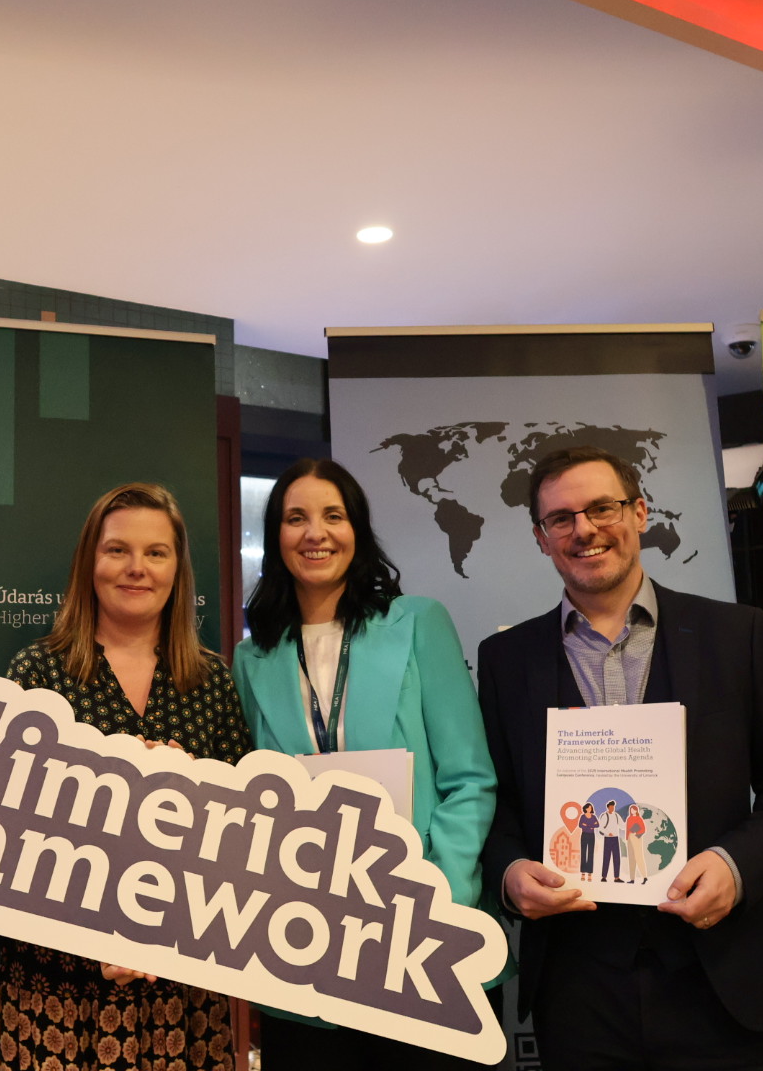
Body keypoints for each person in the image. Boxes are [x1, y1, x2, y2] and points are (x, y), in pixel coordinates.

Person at [477, 445, 763, 1070]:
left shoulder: (736, 634)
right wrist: (508, 875)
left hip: (726, 978)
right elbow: (495, 801)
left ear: (639, 512)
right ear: (541, 538)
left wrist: (735, 866)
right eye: (561, 518)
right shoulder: (507, 661)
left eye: (602, 508)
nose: (584, 529)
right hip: (579, 992)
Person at [233, 457, 496, 1069]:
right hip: (308, 950)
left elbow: (469, 779)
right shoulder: (254, 658)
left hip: (423, 938)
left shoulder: (418, 623)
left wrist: (438, 899)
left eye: (333, 515)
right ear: (276, 538)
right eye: (295, 518)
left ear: (358, 530)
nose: (315, 533)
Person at [0, 482, 250, 1071]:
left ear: (177, 569)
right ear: (90, 562)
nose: (137, 568)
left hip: (180, 988)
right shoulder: (37, 673)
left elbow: (241, 839)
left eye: (156, 553)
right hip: (55, 987)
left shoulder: (210, 681)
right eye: (117, 550)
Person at [599, 799, 624, 883]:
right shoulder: (604, 815)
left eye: (613, 806)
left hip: (615, 838)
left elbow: (622, 825)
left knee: (616, 858)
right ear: (608, 807)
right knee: (606, 857)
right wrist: (607, 833)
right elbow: (601, 827)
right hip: (608, 838)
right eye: (611, 806)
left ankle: (616, 877)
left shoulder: (616, 815)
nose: (612, 808)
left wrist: (630, 824)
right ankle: (604, 876)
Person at [625, 799, 649, 885]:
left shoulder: (639, 819)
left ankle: (644, 877)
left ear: (636, 810)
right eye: (631, 809)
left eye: (634, 809)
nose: (632, 811)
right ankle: (632, 879)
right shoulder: (629, 818)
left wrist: (637, 833)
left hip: (637, 837)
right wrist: (627, 838)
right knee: (631, 858)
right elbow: (627, 829)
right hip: (630, 838)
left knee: (639, 857)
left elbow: (643, 829)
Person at [578, 802, 599, 882]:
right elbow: (580, 825)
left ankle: (590, 873)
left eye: (591, 808)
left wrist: (587, 825)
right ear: (586, 808)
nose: (590, 809)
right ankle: (583, 873)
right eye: (589, 808)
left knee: (590, 853)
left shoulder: (593, 816)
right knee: (583, 853)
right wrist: (591, 825)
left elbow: (597, 825)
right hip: (584, 835)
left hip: (591, 836)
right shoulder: (582, 816)